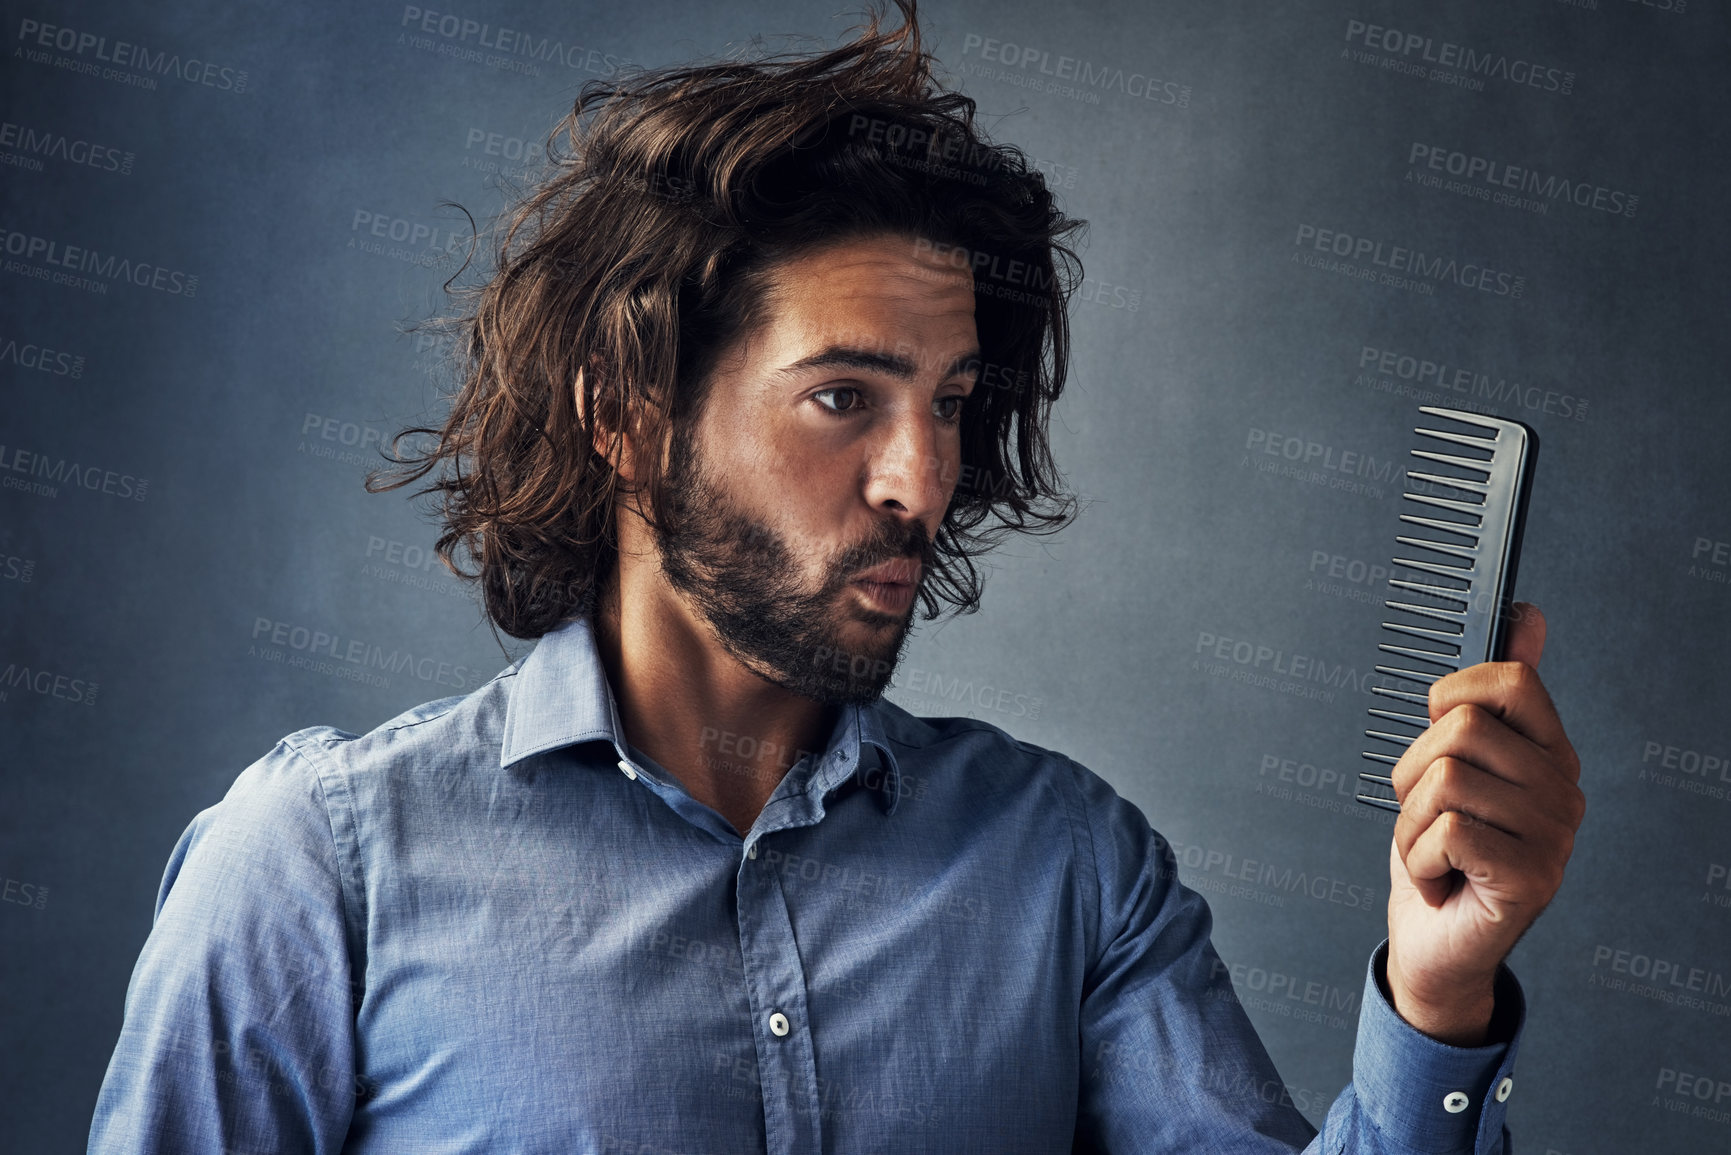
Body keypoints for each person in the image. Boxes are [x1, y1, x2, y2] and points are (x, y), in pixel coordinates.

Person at [88, 2, 1584, 1151]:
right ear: (629, 412)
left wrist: (1437, 994)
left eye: (946, 403)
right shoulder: (316, 873)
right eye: (842, 398)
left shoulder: (1066, 868)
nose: (920, 480)